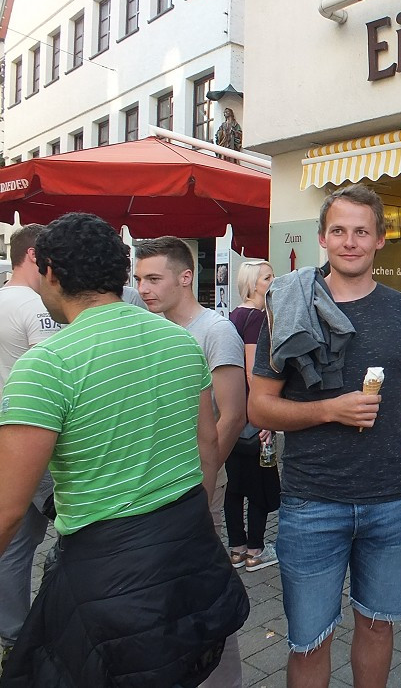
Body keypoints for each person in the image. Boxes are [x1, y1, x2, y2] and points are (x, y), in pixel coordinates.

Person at [0, 212, 248, 687]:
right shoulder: (178, 341)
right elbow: (206, 442)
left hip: (105, 573)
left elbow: (10, 508)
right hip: (184, 544)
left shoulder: (47, 364)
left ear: (49, 273)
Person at [248, 184, 401, 688]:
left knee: (378, 626)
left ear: (380, 239)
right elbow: (259, 405)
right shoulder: (290, 307)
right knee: (309, 639)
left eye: (361, 231)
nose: (350, 241)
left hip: (392, 500)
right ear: (322, 238)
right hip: (312, 501)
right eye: (339, 231)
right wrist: (330, 409)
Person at [134, 236, 248, 688]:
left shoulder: (214, 331)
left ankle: (222, 678)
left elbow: (233, 413)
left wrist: (204, 482)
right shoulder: (149, 328)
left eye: (153, 278)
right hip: (159, 482)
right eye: (139, 278)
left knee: (203, 585)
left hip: (197, 481)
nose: (143, 288)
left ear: (186, 277)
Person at [0, 225, 62, 671]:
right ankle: (35, 634)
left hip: (9, 438)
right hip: (39, 441)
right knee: (78, 534)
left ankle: (12, 633)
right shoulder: (32, 304)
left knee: (19, 546)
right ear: (35, 257)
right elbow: (56, 371)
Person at [225, 260, 280, 573]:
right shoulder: (256, 317)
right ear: (253, 284)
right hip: (252, 416)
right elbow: (252, 371)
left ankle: (237, 548)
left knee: (236, 486)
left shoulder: (235, 315)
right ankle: (256, 550)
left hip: (235, 414)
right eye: (268, 277)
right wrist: (265, 416)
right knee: (258, 484)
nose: (273, 281)